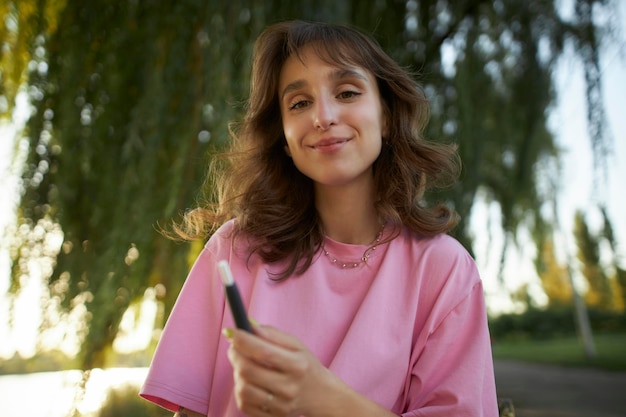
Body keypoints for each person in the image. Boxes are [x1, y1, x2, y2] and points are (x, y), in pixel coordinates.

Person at [140, 20, 498, 417]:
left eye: (346, 92)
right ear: (286, 140)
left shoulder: (444, 268)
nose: (323, 116)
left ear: (385, 116)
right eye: (299, 103)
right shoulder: (234, 248)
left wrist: (324, 399)